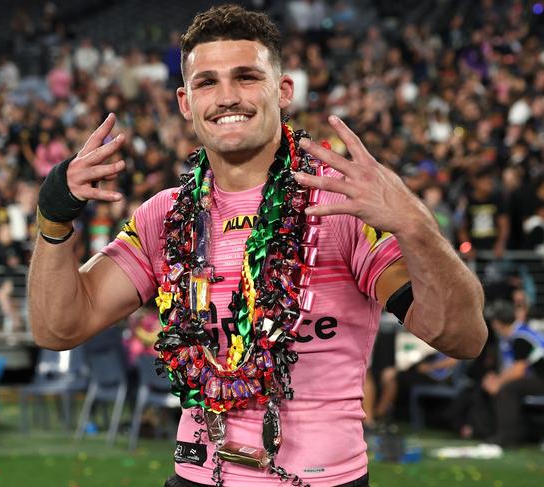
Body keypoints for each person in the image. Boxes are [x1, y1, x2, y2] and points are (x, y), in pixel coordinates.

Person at [28, 5, 487, 487]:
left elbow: (463, 337)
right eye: (207, 82)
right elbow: (59, 327)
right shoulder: (164, 216)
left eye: (246, 77)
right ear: (186, 103)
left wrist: (415, 226)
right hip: (195, 478)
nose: (227, 97)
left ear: (283, 90)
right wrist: (55, 216)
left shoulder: (340, 205)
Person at [483, 300, 544, 447]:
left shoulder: (521, 337)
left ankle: (507, 437)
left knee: (507, 390)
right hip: (536, 377)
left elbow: (518, 370)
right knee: (504, 388)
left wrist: (498, 381)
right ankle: (497, 432)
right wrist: (494, 378)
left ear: (497, 323)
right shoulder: (513, 335)